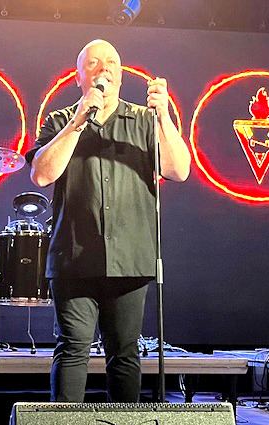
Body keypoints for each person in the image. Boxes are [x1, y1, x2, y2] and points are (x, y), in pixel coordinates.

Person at [25, 39, 190, 402]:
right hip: (74, 257)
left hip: (130, 257)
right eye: (94, 63)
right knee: (72, 347)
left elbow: (179, 170)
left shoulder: (145, 119)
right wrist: (77, 123)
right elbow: (42, 175)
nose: (104, 68)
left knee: (125, 352)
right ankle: (65, 423)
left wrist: (164, 117)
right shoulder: (59, 120)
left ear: (121, 74)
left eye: (111, 62)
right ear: (78, 77)